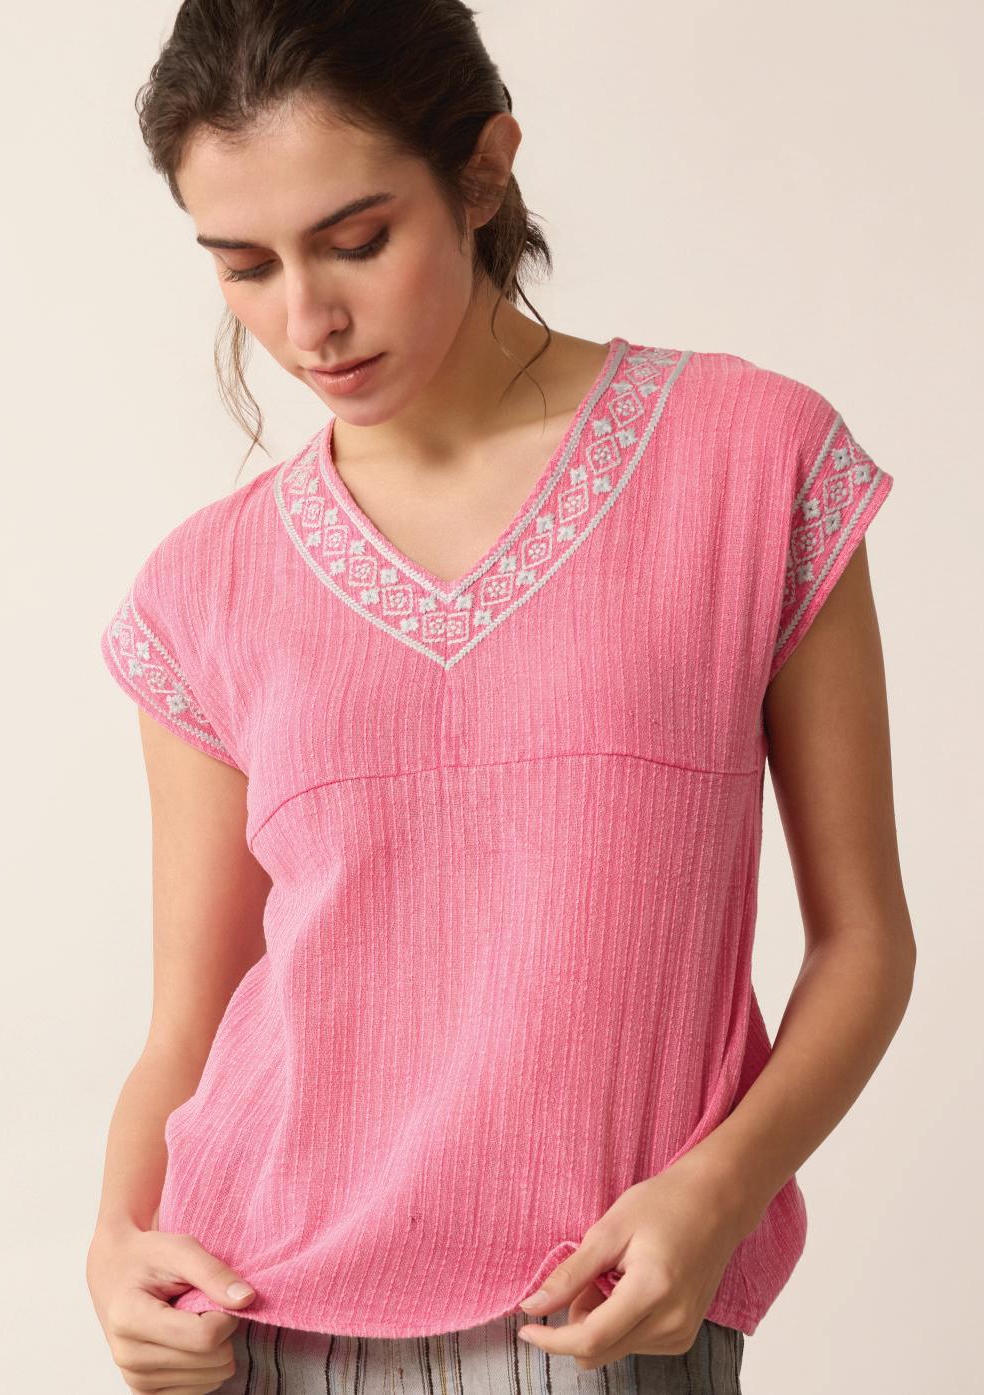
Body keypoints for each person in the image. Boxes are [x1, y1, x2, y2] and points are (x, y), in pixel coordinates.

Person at [86, 2, 916, 1393]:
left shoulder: (748, 461)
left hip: (602, 1306)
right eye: (245, 266)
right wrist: (117, 1246)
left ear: (482, 172)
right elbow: (188, 1023)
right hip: (250, 1318)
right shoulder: (205, 584)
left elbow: (865, 943)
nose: (307, 320)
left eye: (357, 241)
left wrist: (715, 1196)